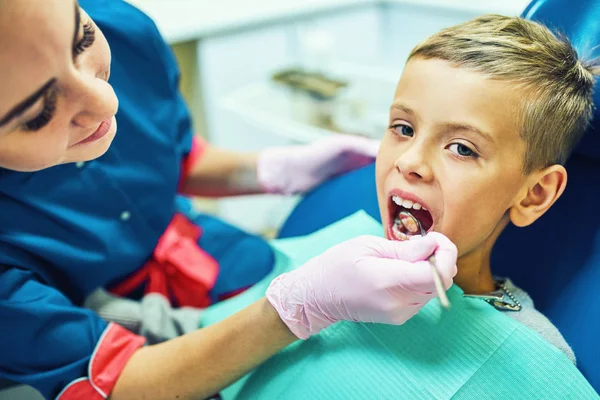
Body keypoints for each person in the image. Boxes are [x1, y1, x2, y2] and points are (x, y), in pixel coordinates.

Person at [0, 1, 459, 399]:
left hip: (186, 244)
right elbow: (119, 382)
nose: (105, 103)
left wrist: (272, 169)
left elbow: (167, 158)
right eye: (38, 114)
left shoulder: (121, 28)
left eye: (81, 41)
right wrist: (294, 310)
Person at [196, 14, 600, 398]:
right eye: (403, 128)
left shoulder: (531, 357)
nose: (408, 161)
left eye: (461, 148)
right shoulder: (331, 260)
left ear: (535, 194)